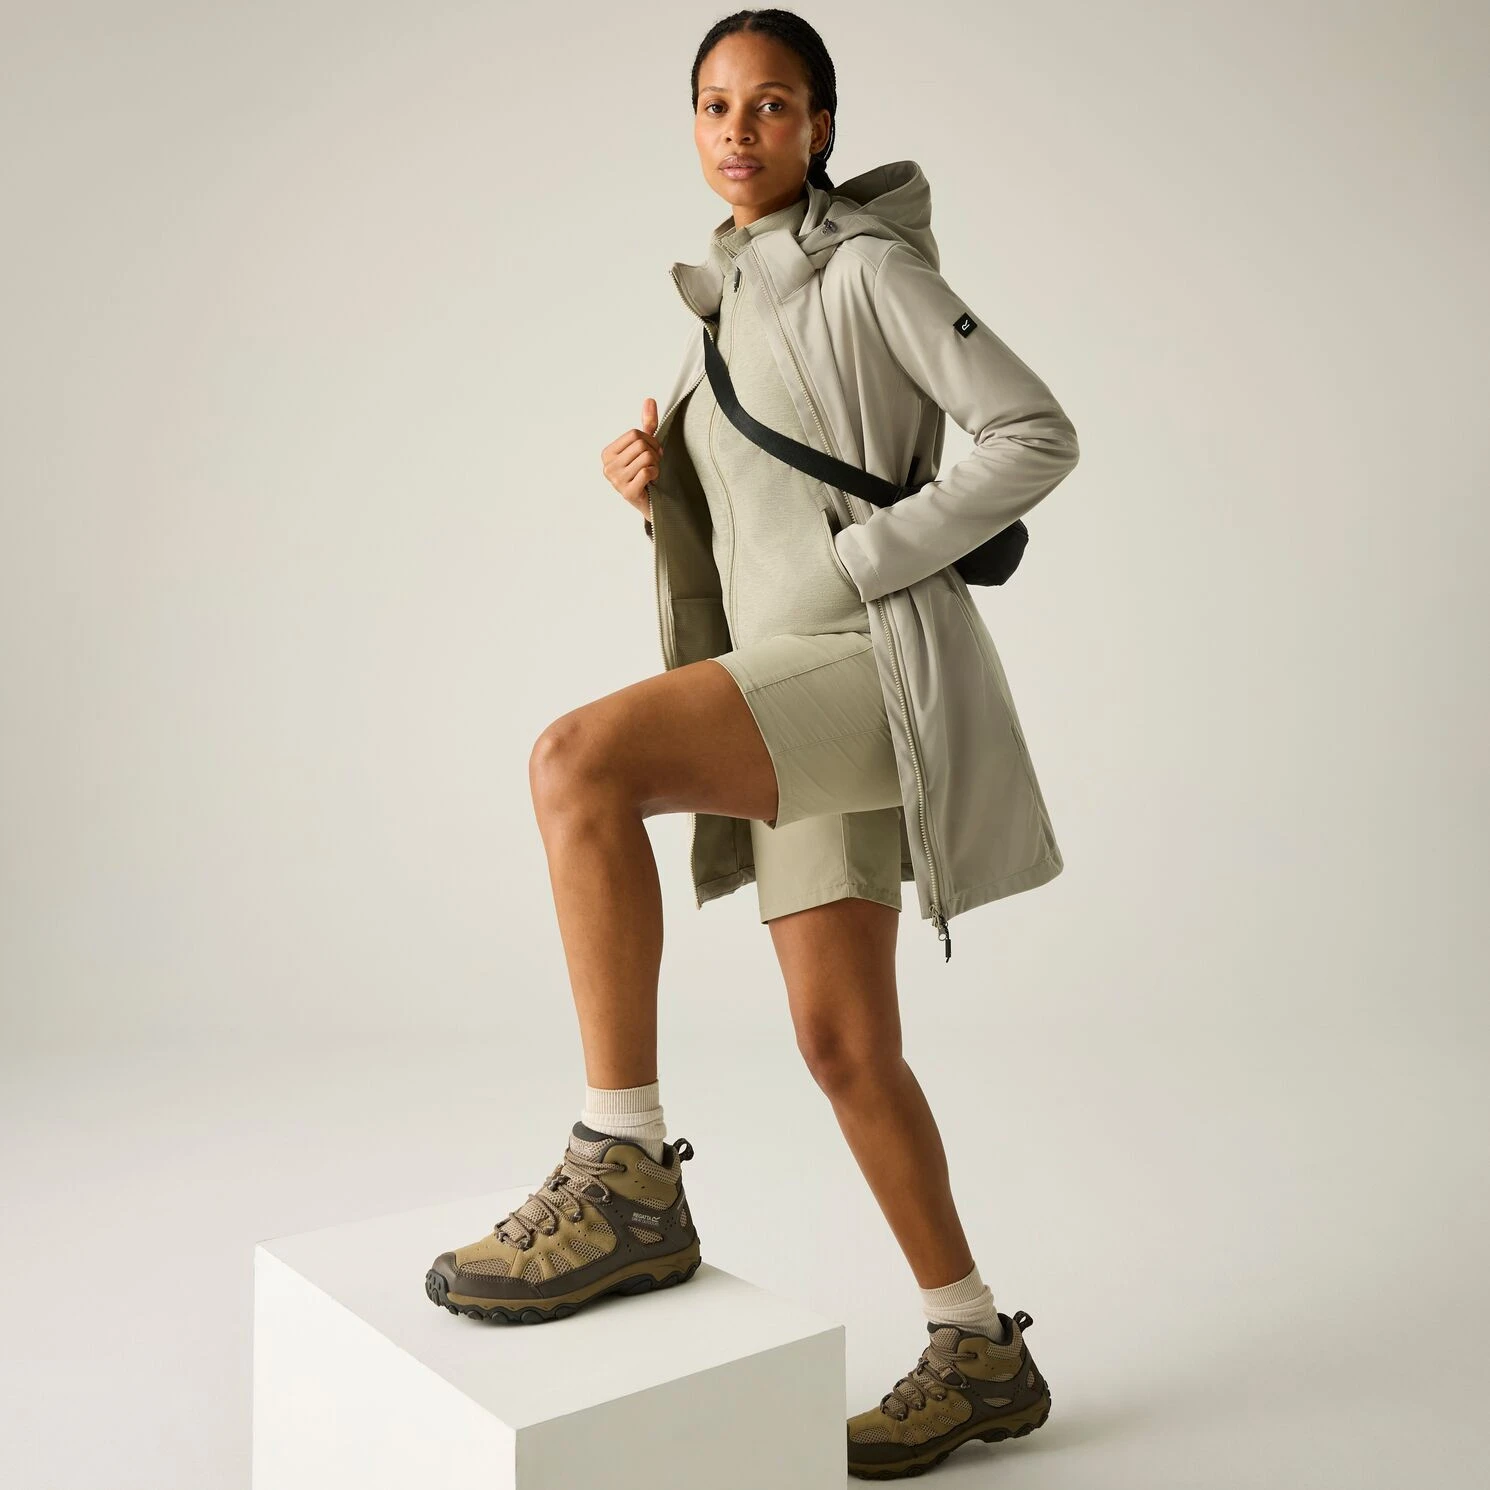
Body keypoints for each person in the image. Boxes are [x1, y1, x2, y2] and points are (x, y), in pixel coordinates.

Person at [426, 8, 1079, 1479]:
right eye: (716, 105)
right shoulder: (719, 305)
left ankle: (622, 1165)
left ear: (820, 126)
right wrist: (658, 491)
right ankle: (978, 1348)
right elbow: (763, 528)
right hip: (786, 680)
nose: (740, 130)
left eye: (772, 104)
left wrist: (868, 559)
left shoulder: (870, 270)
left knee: (577, 761)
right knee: (846, 1049)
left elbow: (1033, 432)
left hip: (862, 668)